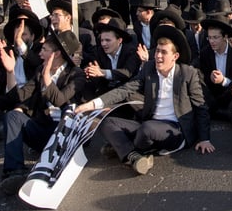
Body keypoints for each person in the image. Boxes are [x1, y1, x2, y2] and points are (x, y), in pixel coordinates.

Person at [76, 22, 214, 176]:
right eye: (156, 52)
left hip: (175, 129)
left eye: (163, 52)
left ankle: (123, 147)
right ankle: (133, 156)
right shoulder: (149, 68)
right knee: (107, 122)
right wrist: (92, 105)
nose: (158, 56)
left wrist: (204, 139)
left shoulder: (188, 73)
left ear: (175, 56)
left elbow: (200, 106)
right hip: (148, 123)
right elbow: (125, 89)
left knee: (146, 130)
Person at [0, 30, 84, 193]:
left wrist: (47, 77)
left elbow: (60, 100)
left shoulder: (76, 74)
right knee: (13, 116)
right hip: (44, 128)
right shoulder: (39, 70)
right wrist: (10, 72)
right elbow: (20, 96)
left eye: (44, 50)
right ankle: (14, 171)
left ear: (57, 54)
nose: (40, 53)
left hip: (64, 134)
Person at [198, 11, 232, 118]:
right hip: (212, 96)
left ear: (225, 37)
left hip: (231, 94)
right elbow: (203, 78)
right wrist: (210, 77)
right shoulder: (205, 53)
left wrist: (224, 81)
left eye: (216, 37)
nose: (212, 41)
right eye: (210, 37)